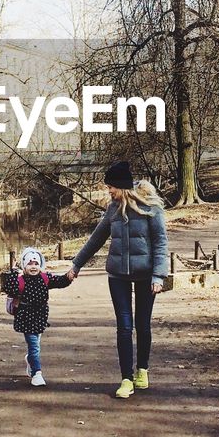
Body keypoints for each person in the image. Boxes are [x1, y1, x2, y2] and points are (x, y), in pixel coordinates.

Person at [68, 161, 168, 399]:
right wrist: (76, 264)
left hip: (146, 275)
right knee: (124, 327)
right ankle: (126, 378)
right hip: (118, 275)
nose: (109, 191)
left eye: (111, 186)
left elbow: (161, 242)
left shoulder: (150, 207)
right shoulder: (112, 209)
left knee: (142, 324)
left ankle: (142, 369)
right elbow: (96, 239)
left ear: (122, 186)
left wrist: (158, 275)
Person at [3, 246, 72, 388]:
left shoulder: (46, 278)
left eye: (36, 263)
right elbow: (8, 287)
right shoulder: (20, 281)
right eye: (29, 264)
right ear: (24, 265)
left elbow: (60, 282)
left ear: (40, 264)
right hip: (26, 317)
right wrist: (14, 271)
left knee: (36, 345)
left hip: (40, 317)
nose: (33, 267)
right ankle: (37, 373)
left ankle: (30, 360)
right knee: (34, 346)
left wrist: (68, 277)